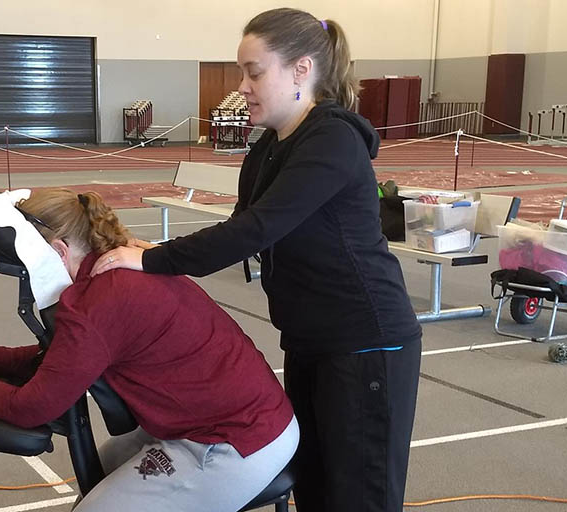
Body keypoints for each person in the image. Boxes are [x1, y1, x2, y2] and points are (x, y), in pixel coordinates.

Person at [91, 8, 422, 512]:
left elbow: (256, 230)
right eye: (241, 71)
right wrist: (153, 253)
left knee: (357, 496)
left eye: (255, 71)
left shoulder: (332, 139)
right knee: (312, 483)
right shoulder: (266, 147)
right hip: (310, 339)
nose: (242, 85)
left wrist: (156, 260)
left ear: (302, 70)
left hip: (365, 341)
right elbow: (239, 229)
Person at [0, 188, 298, 512]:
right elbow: (75, 355)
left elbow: (32, 407)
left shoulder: (99, 302)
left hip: (232, 442)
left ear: (57, 250)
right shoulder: (111, 270)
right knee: (99, 477)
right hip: (214, 422)